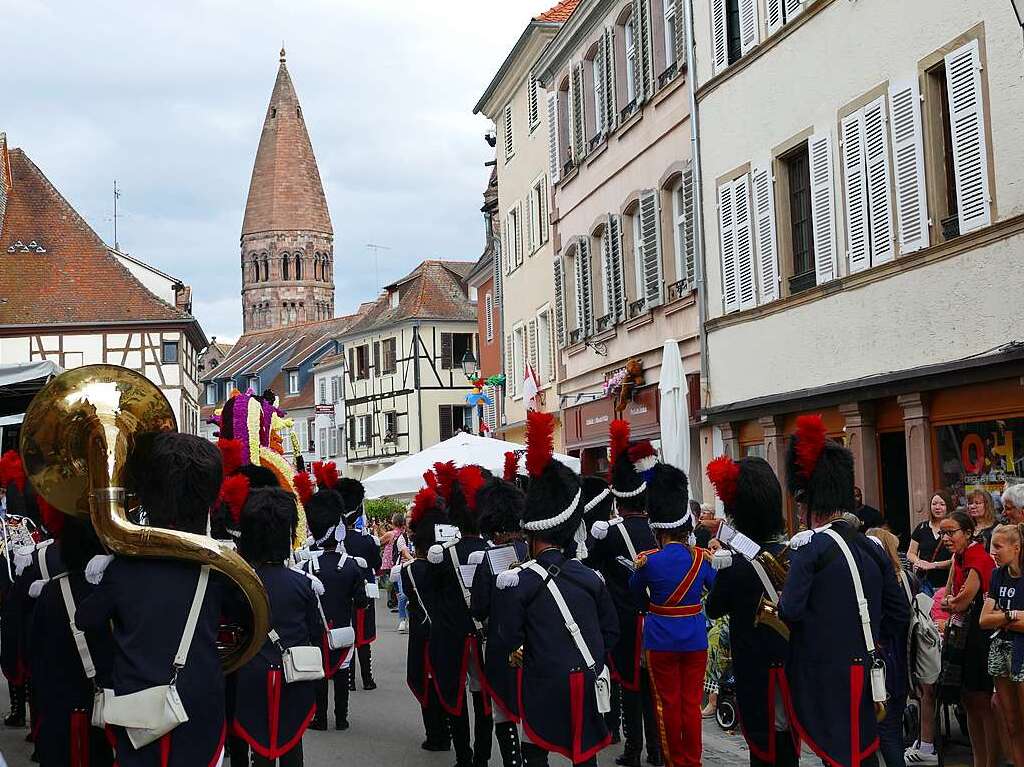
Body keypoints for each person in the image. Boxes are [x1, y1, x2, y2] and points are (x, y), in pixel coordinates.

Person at [76, 432, 230, 766]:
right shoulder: (218, 570)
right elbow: (250, 625)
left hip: (135, 704)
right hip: (198, 703)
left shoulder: (124, 569)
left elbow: (85, 619)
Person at [778, 415, 909, 767]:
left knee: (839, 758)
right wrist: (871, 640)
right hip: (870, 667)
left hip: (827, 673)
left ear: (808, 506)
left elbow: (789, 611)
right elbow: (900, 614)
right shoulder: (873, 547)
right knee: (865, 755)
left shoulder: (811, 550)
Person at [494, 410, 619, 767]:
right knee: (587, 756)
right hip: (588, 675)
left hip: (543, 683)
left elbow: (507, 639)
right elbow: (610, 632)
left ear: (531, 532)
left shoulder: (518, 581)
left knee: (535, 751)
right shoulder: (591, 578)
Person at [704, 455, 799, 767]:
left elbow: (714, 607)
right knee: (788, 746)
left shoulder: (735, 564)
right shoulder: (792, 556)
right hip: (791, 665)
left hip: (754, 670)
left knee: (762, 749)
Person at [629, 462, 715, 767]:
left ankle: (674, 760)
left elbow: (635, 594)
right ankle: (692, 761)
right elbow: (713, 593)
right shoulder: (702, 559)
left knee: (667, 705)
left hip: (660, 640)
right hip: (694, 639)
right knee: (691, 705)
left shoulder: (648, 562)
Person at [587, 420, 660, 767]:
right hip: (659, 618)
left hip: (627, 620)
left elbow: (592, 566)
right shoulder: (659, 530)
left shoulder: (609, 533)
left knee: (631, 688)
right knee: (654, 690)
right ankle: (659, 752)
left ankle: (634, 750)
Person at [231, 486, 320, 766]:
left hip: (250, 678)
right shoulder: (303, 584)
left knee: (258, 753)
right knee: (292, 748)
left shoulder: (238, 585)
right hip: (293, 676)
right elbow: (314, 634)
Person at [421, 462, 493, 767]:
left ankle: (464, 757)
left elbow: (433, 596)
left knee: (456, 697)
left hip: (452, 636)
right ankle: (481, 758)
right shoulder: (494, 550)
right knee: (484, 701)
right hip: (484, 637)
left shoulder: (441, 554)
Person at [29, 512, 114, 767]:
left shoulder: (51, 592)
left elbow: (34, 654)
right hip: (107, 711)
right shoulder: (117, 587)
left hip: (59, 710)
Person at [471, 470, 530, 767]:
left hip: (501, 642)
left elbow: (479, 607)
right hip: (535, 640)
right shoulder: (535, 551)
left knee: (503, 709)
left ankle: (513, 762)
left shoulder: (487, 558)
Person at [300, 480, 368, 732]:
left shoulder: (306, 567)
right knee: (342, 671)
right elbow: (361, 601)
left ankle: (320, 718)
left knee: (319, 674)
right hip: (343, 628)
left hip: (316, 631)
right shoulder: (351, 565)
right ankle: (342, 718)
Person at [937, 511, 997, 767]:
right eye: (943, 533)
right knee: (968, 701)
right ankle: (978, 760)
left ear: (968, 533)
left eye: (951, 532)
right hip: (963, 634)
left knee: (982, 702)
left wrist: (952, 603)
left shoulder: (978, 558)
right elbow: (947, 596)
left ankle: (990, 761)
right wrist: (952, 602)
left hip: (979, 637)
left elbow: (961, 600)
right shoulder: (957, 558)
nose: (946, 538)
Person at [401, 486, 452, 754]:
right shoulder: (449, 565)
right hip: (448, 632)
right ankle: (451, 731)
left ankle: (436, 735)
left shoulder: (412, 571)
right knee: (447, 683)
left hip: (424, 634)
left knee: (428, 684)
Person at [329, 469, 380, 691]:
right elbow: (377, 565)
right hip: (365, 590)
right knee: (363, 636)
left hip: (341, 591)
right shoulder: (366, 539)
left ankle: (348, 678)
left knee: (346, 633)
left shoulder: (333, 538)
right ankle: (366, 678)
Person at [978, 523, 1024, 767]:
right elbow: (984, 620)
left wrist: (1001, 617)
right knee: (1011, 721)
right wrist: (1011, 616)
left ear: (1016, 548)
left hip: (1021, 651)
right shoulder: (997, 575)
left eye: (998, 546)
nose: (992, 552)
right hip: (999, 649)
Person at [866, 528, 912, 767]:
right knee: (891, 729)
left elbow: (898, 616)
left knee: (886, 731)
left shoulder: (881, 581)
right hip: (900, 660)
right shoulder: (903, 576)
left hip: (886, 662)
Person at [907, 491, 954, 596]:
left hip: (947, 583)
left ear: (948, 507)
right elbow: (910, 553)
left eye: (942, 504)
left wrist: (933, 565)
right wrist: (919, 562)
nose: (937, 507)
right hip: (925, 582)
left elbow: (954, 560)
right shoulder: (922, 527)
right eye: (934, 504)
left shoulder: (954, 529)